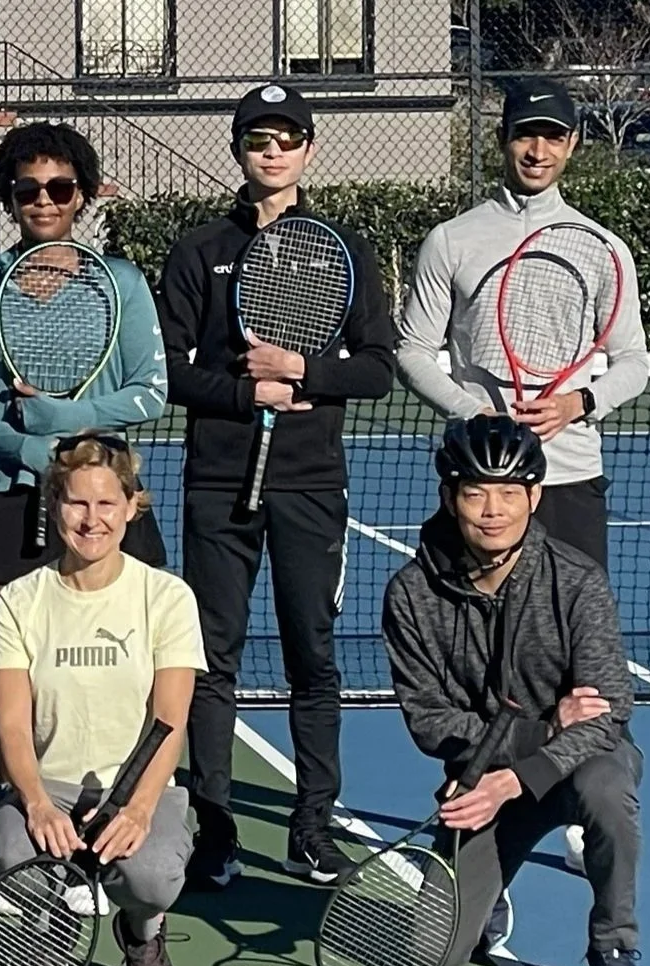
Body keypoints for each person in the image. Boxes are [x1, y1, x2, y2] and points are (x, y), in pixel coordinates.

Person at [153, 84, 397, 891]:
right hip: (219, 479)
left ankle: (312, 826)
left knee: (312, 657)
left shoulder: (341, 249)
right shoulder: (199, 251)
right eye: (258, 138)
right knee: (210, 658)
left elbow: (376, 367)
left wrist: (301, 370)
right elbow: (169, 373)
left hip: (310, 484)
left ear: (308, 150)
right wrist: (243, 392)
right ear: (238, 150)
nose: (273, 151)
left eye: (287, 138)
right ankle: (215, 826)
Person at [382, 415, 647, 966]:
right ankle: (490, 892)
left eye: (509, 492)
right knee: (431, 954)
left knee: (608, 784)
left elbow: (610, 712)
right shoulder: (410, 593)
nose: (493, 509)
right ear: (450, 497)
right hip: (480, 782)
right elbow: (430, 720)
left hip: (572, 769)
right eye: (476, 492)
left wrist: (521, 774)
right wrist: (547, 726)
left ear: (534, 497)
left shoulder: (577, 581)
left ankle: (614, 944)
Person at [0, 122, 171, 651]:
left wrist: (61, 421)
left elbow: (150, 392)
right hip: (0, 497)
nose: (44, 201)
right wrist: (25, 448)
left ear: (80, 195)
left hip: (103, 495)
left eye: (60, 188)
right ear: (8, 200)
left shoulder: (121, 283)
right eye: (27, 190)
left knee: (113, 660)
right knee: (19, 668)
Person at [395, 78, 650, 572]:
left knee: (572, 636)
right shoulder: (450, 241)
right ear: (502, 138)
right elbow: (412, 352)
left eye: (553, 137)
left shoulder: (604, 249)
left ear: (573, 143)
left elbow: (633, 361)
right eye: (525, 135)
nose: (538, 151)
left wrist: (579, 402)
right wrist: (474, 415)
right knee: (468, 633)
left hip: (570, 472)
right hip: (477, 475)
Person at [0, 435, 200, 966]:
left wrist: (139, 809)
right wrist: (33, 804)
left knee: (150, 877)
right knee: (11, 853)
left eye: (107, 504)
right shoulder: (19, 600)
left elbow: (170, 718)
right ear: (55, 508)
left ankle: (142, 927)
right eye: (77, 502)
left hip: (134, 787)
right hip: (49, 786)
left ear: (131, 506)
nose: (91, 519)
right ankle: (46, 919)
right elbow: (9, 725)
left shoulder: (167, 597)